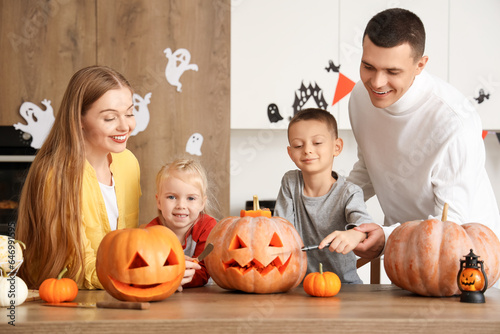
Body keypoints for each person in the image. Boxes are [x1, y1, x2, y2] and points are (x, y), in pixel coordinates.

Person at [348, 8, 500, 259]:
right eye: (368, 66)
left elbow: (450, 224)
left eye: (392, 72)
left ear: (420, 65)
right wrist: (325, 201)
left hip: (467, 258)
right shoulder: (359, 98)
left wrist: (385, 236)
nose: (376, 82)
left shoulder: (454, 122)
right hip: (405, 249)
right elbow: (369, 167)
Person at [16, 65, 141, 289]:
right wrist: (143, 275)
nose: (126, 126)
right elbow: (77, 267)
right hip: (68, 303)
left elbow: (127, 246)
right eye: (110, 118)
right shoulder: (56, 176)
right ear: (79, 119)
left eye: (130, 113)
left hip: (115, 295)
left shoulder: (128, 163)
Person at [274, 108, 375, 284]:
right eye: (298, 145)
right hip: (297, 286)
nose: (307, 150)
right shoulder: (290, 182)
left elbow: (364, 226)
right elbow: (281, 230)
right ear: (290, 153)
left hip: (345, 287)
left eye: (317, 143)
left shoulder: (349, 192)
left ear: (337, 147)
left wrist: (355, 235)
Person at [144, 159, 217, 290]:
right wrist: (168, 278)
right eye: (171, 197)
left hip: (203, 298)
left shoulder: (207, 227)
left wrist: (175, 276)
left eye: (191, 198)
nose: (181, 206)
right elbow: (148, 268)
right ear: (159, 201)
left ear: (202, 203)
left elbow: (205, 271)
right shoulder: (152, 232)